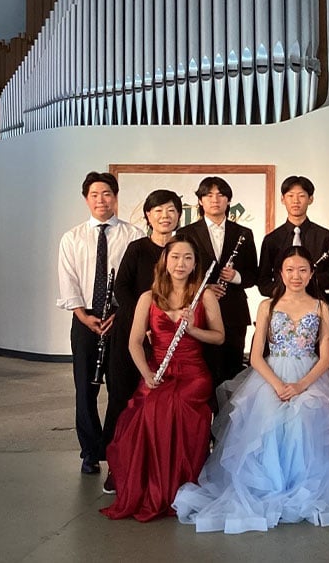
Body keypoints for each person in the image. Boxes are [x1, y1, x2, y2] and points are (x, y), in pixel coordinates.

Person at [174, 247, 329, 533]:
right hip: (270, 375)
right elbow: (255, 356)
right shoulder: (267, 305)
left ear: (312, 273)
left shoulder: (321, 307)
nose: (296, 276)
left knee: (304, 425)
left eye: (303, 270)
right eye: (289, 269)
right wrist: (278, 384)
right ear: (280, 272)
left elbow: (326, 357)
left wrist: (301, 385)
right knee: (266, 428)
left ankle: (300, 486)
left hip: (309, 376)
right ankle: (271, 486)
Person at [101, 236, 225, 521]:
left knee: (171, 406)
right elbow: (134, 342)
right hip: (158, 370)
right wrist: (146, 374)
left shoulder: (204, 296)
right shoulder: (148, 297)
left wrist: (192, 328)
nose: (181, 263)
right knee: (146, 409)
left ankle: (177, 486)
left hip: (193, 374)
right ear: (164, 262)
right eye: (175, 257)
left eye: (188, 258)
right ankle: (148, 486)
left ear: (196, 264)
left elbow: (219, 337)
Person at [57, 171, 144, 475]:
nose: (101, 200)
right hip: (85, 318)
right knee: (85, 387)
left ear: (116, 197)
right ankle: (90, 450)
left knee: (120, 387)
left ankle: (115, 447)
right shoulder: (72, 237)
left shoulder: (134, 235)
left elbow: (137, 282)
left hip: (122, 317)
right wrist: (84, 316)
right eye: (94, 195)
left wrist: (119, 315)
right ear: (86, 199)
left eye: (106, 194)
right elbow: (67, 282)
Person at [101, 189, 182, 494]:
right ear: (148, 215)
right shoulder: (136, 249)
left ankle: (160, 466)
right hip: (133, 335)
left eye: (171, 210)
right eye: (158, 210)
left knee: (162, 402)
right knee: (123, 399)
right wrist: (146, 319)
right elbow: (121, 289)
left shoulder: (184, 250)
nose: (165, 216)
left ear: (179, 215)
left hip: (170, 337)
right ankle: (115, 466)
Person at [177, 176, 258, 389]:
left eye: (221, 195)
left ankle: (227, 422)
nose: (215, 200)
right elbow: (178, 275)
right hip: (199, 313)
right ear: (200, 201)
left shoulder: (244, 233)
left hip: (234, 314)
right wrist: (204, 289)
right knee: (201, 374)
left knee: (231, 374)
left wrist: (236, 277)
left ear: (229, 201)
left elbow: (253, 275)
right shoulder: (186, 233)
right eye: (209, 195)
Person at [257, 175, 329, 297]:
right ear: (282, 199)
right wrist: (282, 292)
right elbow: (263, 280)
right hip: (281, 304)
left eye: (301, 196)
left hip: (316, 302)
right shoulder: (272, 239)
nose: (296, 201)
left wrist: (309, 283)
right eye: (290, 196)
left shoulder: (324, 236)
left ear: (310, 199)